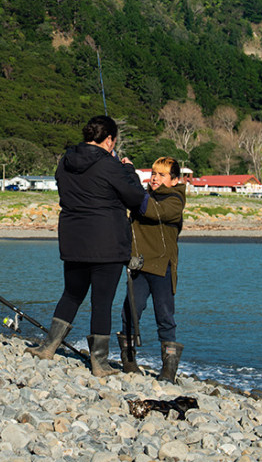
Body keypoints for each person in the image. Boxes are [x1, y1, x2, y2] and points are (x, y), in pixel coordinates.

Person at [27, 115, 145, 377]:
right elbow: (135, 197)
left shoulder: (65, 161)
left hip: (74, 238)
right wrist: (129, 170)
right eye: (114, 141)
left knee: (71, 294)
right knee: (101, 302)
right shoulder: (110, 165)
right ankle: (99, 363)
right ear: (110, 140)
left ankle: (48, 346)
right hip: (107, 243)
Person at [118, 156, 185, 382]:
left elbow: (152, 211)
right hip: (139, 264)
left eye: (162, 175)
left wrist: (133, 177)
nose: (155, 178)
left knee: (165, 317)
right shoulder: (145, 196)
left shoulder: (175, 200)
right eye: (154, 174)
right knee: (130, 312)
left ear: (174, 180)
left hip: (162, 266)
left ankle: (168, 371)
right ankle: (129, 361)